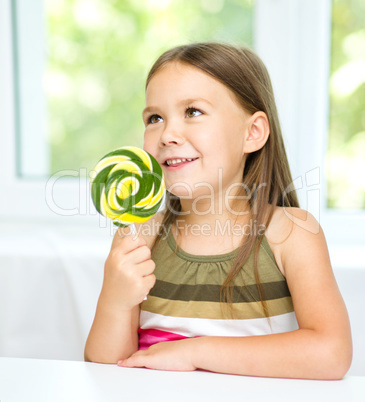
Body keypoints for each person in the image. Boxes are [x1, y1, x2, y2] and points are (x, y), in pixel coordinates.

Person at [84, 42, 352, 379]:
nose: (167, 134)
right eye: (155, 118)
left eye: (193, 111)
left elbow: (331, 355)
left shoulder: (291, 233)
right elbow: (106, 370)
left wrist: (193, 352)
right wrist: (115, 299)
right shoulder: (141, 235)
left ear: (252, 133)